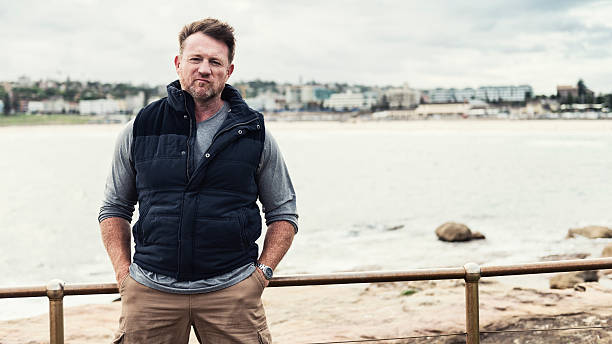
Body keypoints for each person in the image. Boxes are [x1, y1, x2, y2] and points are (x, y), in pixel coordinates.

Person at [98, 18, 298, 344]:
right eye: (196, 59)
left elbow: (284, 213)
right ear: (179, 64)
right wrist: (124, 277)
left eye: (215, 62)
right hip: (151, 295)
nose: (204, 69)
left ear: (228, 71)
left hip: (232, 294)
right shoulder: (141, 128)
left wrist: (261, 276)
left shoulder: (254, 133)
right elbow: (114, 207)